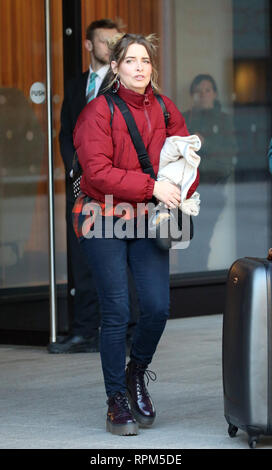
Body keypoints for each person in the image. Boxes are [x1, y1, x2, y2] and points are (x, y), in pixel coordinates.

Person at [72, 33, 199, 435]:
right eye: (131, 61)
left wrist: (184, 189)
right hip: (102, 216)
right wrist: (152, 188)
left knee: (158, 308)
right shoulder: (97, 112)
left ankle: (136, 372)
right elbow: (97, 172)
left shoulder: (165, 109)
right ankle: (116, 400)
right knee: (116, 311)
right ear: (116, 67)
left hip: (148, 219)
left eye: (145, 61)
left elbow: (185, 160)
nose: (140, 67)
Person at [49, 19, 139, 354]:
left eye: (117, 42)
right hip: (81, 185)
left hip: (115, 183)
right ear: (88, 45)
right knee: (82, 256)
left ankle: (130, 332)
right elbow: (65, 132)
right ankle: (85, 330)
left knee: (124, 256)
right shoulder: (75, 87)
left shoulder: (125, 84)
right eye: (105, 42)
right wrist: (76, 169)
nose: (111, 48)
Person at [183, 74, 237, 269]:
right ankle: (186, 286)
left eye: (207, 90)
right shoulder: (184, 118)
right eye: (198, 91)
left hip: (213, 189)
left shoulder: (224, 121)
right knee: (184, 242)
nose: (203, 94)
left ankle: (198, 285)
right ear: (192, 95)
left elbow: (228, 157)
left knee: (201, 242)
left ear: (214, 94)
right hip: (184, 192)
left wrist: (204, 144)